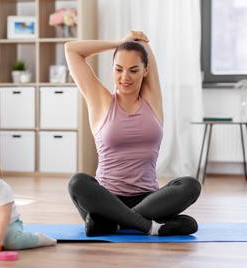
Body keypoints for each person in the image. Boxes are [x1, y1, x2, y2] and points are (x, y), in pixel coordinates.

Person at [65, 31, 201, 236]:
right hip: (105, 200)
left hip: (149, 200)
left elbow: (145, 46)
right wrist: (119, 42)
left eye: (133, 70)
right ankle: (147, 225)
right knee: (78, 182)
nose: (125, 77)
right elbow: (72, 50)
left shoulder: (152, 100)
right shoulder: (100, 101)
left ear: (146, 71)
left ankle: (118, 223)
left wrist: (138, 41)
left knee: (190, 185)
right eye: (118, 69)